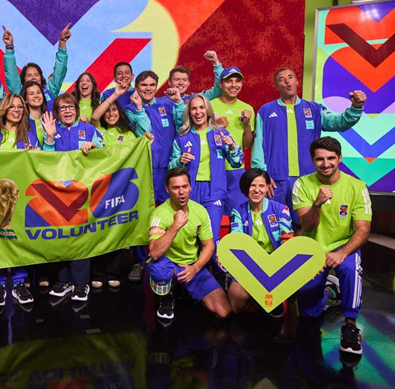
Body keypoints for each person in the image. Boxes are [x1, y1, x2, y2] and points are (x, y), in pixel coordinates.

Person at [252, 68, 366, 224]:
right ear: (276, 86)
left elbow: (338, 122)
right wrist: (261, 175)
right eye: (281, 79)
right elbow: (258, 143)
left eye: (290, 77)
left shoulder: (315, 110)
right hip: (274, 180)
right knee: (272, 225)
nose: (287, 81)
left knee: (306, 225)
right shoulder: (266, 111)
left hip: (307, 179)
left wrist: (355, 108)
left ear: (297, 81)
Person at [292, 137, 372, 356]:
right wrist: (317, 204)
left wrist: (341, 253)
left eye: (331, 158)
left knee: (351, 268)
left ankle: (350, 325)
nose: (325, 164)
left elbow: (363, 229)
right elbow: (307, 226)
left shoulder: (357, 186)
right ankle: (330, 290)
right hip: (313, 249)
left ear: (340, 158)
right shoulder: (302, 184)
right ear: (312, 160)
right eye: (320, 159)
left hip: (343, 247)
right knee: (308, 313)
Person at [103, 71, 178, 282]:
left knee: (169, 214)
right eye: (144, 85)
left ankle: (168, 257)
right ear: (136, 87)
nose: (148, 88)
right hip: (144, 170)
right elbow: (144, 133)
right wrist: (138, 108)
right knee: (142, 215)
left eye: (152, 84)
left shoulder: (167, 104)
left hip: (168, 169)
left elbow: (182, 121)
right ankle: (140, 260)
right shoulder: (128, 110)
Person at [0, 94, 43, 307]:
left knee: (19, 238)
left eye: (20, 107)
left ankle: (18, 282)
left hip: (22, 197)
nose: (17, 110)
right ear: (4, 109)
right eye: (12, 107)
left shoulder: (30, 136)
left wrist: (35, 155)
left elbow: (39, 166)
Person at [169, 94, 243, 274]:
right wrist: (179, 160)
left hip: (214, 191)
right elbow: (171, 167)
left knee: (212, 235)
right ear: (189, 113)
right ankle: (193, 275)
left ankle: (218, 274)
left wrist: (233, 147)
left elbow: (237, 162)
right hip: (190, 192)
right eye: (194, 108)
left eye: (201, 107)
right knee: (190, 234)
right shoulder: (182, 138)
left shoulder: (221, 134)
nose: (198, 112)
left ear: (208, 110)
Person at [147, 167, 232, 321]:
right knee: (159, 269)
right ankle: (167, 295)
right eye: (176, 188)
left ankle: (189, 291)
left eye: (185, 186)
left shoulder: (199, 211)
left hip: (191, 266)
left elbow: (209, 245)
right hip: (170, 266)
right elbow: (154, 252)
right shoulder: (159, 214)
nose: (181, 192)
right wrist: (175, 226)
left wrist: (195, 268)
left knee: (223, 311)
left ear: (190, 187)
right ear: (167, 189)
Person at [90, 97, 153, 289]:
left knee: (115, 229)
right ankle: (97, 273)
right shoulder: (98, 132)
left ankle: (113, 272)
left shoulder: (129, 134)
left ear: (120, 112)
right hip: (100, 188)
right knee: (98, 230)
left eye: (114, 110)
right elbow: (94, 120)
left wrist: (147, 141)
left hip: (122, 188)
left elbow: (141, 147)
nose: (111, 114)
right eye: (107, 111)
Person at [45, 93, 103, 302]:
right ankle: (64, 280)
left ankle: (80, 283)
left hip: (83, 192)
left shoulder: (89, 129)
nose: (67, 111)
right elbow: (45, 160)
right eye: (62, 108)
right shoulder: (52, 130)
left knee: (80, 237)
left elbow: (106, 152)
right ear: (57, 112)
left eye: (70, 107)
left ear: (77, 110)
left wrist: (94, 146)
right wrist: (49, 137)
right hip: (58, 193)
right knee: (61, 238)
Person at [228, 168, 293, 314]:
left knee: (274, 305)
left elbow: (287, 241)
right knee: (235, 304)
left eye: (261, 186)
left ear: (268, 187)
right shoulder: (238, 212)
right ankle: (256, 298)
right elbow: (236, 240)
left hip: (275, 263)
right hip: (249, 264)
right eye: (252, 185)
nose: (257, 190)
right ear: (246, 187)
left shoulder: (281, 210)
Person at [209, 67, 255, 213]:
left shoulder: (247, 108)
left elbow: (246, 145)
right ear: (221, 84)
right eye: (229, 81)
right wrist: (215, 126)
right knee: (213, 213)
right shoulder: (209, 106)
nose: (234, 85)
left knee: (237, 214)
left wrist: (247, 124)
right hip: (214, 167)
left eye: (237, 81)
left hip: (236, 170)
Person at [2, 24, 71, 111]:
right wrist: (9, 47)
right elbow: (11, 73)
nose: (33, 77)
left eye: (36, 74)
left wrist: (62, 42)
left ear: (41, 77)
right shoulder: (19, 93)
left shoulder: (50, 90)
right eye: (29, 75)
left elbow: (60, 70)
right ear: (23, 79)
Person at [20, 80, 50, 145]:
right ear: (25, 100)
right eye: (31, 94)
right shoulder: (21, 121)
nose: (36, 96)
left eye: (39, 92)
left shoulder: (49, 119)